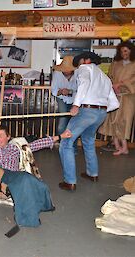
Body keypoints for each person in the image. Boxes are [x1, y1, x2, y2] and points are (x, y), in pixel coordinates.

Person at [58, 52, 120, 191]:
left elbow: (84, 84)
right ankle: (92, 174)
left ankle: (70, 181)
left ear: (86, 60)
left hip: (86, 111)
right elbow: (115, 104)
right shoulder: (104, 77)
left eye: (79, 62)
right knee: (88, 141)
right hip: (101, 113)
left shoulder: (85, 68)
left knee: (66, 142)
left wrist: (76, 105)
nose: (78, 66)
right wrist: (99, 110)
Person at [99, 41, 135, 156]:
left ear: (131, 51)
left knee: (124, 121)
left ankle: (124, 147)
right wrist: (114, 86)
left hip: (128, 97)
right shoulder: (115, 64)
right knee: (112, 120)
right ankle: (118, 146)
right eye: (122, 51)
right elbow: (109, 77)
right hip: (115, 96)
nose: (124, 53)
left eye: (126, 50)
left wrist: (122, 84)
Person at [51, 55, 78, 135]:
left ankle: (71, 143)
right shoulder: (57, 73)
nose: (66, 71)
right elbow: (54, 90)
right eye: (64, 69)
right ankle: (60, 142)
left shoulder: (78, 74)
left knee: (74, 122)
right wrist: (61, 92)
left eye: (68, 69)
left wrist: (70, 91)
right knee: (62, 121)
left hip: (75, 99)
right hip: (61, 98)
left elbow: (81, 89)